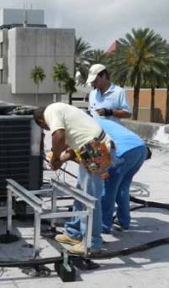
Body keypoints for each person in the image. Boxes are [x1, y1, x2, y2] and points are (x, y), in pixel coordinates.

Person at [34, 103, 113, 255]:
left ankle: (92, 242)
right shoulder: (60, 109)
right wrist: (57, 156)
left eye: (44, 128)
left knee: (89, 199)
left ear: (41, 121)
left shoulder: (50, 111)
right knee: (80, 194)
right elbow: (66, 141)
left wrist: (56, 158)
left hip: (94, 149)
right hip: (90, 148)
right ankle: (74, 233)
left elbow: (59, 136)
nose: (47, 129)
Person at [95, 118, 147, 233]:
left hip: (123, 151)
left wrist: (101, 169)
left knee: (108, 187)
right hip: (140, 149)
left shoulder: (91, 124)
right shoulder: (102, 121)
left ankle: (104, 224)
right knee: (123, 185)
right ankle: (124, 221)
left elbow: (99, 148)